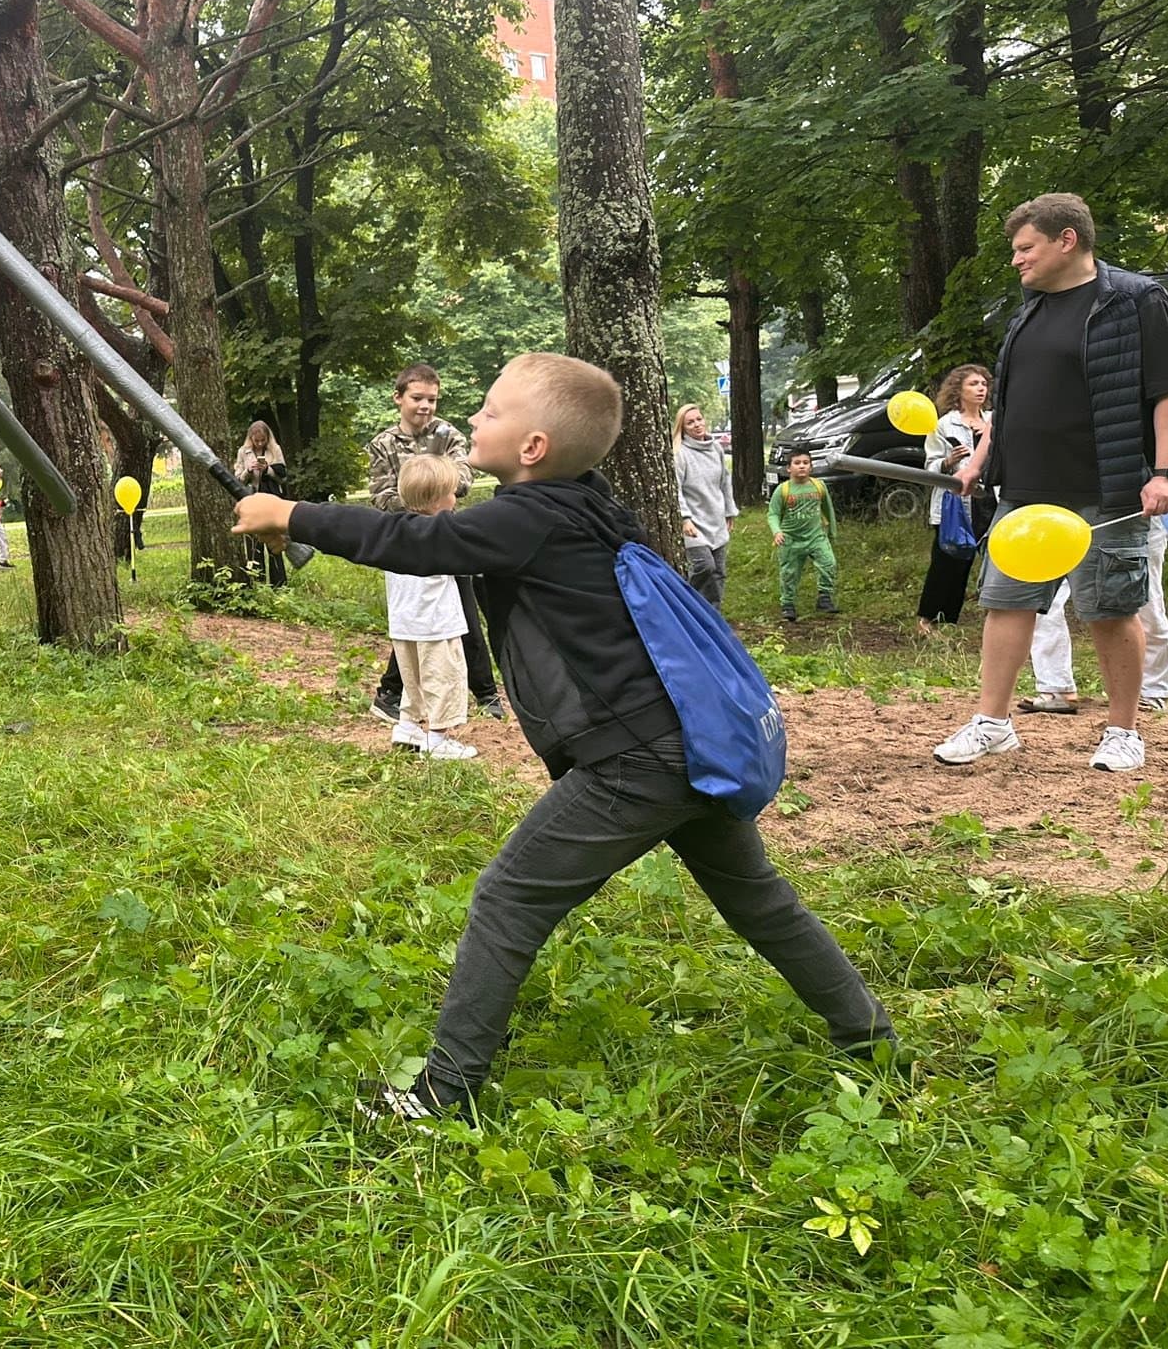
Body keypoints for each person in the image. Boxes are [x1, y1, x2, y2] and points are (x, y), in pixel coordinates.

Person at [231, 353, 894, 1123]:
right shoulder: (583, 505)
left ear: (533, 446)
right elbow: (439, 538)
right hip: (682, 746)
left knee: (508, 897)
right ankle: (871, 1038)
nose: (472, 418)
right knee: (760, 901)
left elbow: (416, 544)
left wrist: (293, 515)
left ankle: (443, 1095)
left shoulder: (531, 518)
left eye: (490, 411)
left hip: (634, 762)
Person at [937, 193, 1168, 773]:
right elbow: (1007, 408)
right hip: (1024, 492)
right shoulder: (1028, 311)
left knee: (1111, 609)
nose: (1017, 260)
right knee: (1005, 603)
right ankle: (993, 724)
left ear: (1066, 240)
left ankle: (1123, 732)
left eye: (1026, 248)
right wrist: (979, 463)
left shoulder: (1134, 300)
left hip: (1107, 490)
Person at [366, 364, 507, 723]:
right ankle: (391, 693)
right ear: (398, 398)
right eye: (417, 398)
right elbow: (381, 496)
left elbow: (463, 478)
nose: (425, 406)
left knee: (464, 612)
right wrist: (425, 497)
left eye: (432, 399)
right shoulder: (383, 444)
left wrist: (422, 490)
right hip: (404, 540)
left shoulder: (448, 435)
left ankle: (486, 692)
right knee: (412, 619)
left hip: (445, 536)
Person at [1024, 513, 1168, 716]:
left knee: (1145, 604)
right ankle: (1056, 688)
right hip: (1053, 513)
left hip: (1129, 513)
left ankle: (1154, 692)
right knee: (1042, 602)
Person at [383, 455, 478, 760]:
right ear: (437, 500)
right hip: (437, 624)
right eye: (451, 492)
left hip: (404, 624)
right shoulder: (442, 533)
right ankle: (437, 738)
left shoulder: (394, 531)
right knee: (444, 678)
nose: (455, 498)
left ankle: (407, 726)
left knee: (413, 679)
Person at [915, 364, 995, 635]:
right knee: (948, 562)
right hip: (955, 504)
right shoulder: (944, 424)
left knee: (994, 559)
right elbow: (930, 467)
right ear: (958, 389)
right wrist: (948, 462)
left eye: (984, 384)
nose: (980, 389)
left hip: (990, 501)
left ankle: (993, 615)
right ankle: (929, 620)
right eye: (973, 384)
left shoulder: (993, 421)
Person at [672, 403, 736, 607]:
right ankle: (686, 604)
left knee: (718, 572)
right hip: (694, 524)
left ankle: (713, 614)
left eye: (699, 419)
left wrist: (729, 511)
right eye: (690, 422)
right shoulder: (680, 453)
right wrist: (685, 518)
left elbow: (725, 481)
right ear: (683, 428)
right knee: (704, 566)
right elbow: (676, 488)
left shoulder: (716, 448)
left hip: (715, 518)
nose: (697, 424)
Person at [767, 448, 839, 622]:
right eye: (797, 463)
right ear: (788, 468)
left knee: (828, 563)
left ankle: (824, 598)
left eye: (806, 463)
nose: (802, 466)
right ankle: (788, 604)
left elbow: (828, 509)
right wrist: (777, 532)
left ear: (811, 467)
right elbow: (773, 514)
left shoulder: (818, 486)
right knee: (789, 573)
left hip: (816, 537)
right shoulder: (782, 490)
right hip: (791, 540)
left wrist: (832, 532)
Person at [233, 420, 289, 587]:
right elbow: (237, 479)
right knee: (254, 544)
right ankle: (257, 582)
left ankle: (279, 584)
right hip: (251, 500)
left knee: (274, 542)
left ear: (267, 438)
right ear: (250, 438)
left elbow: (283, 476)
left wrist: (268, 469)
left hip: (271, 502)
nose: (259, 443)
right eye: (256, 440)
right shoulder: (243, 452)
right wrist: (248, 470)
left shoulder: (275, 449)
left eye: (262, 440)